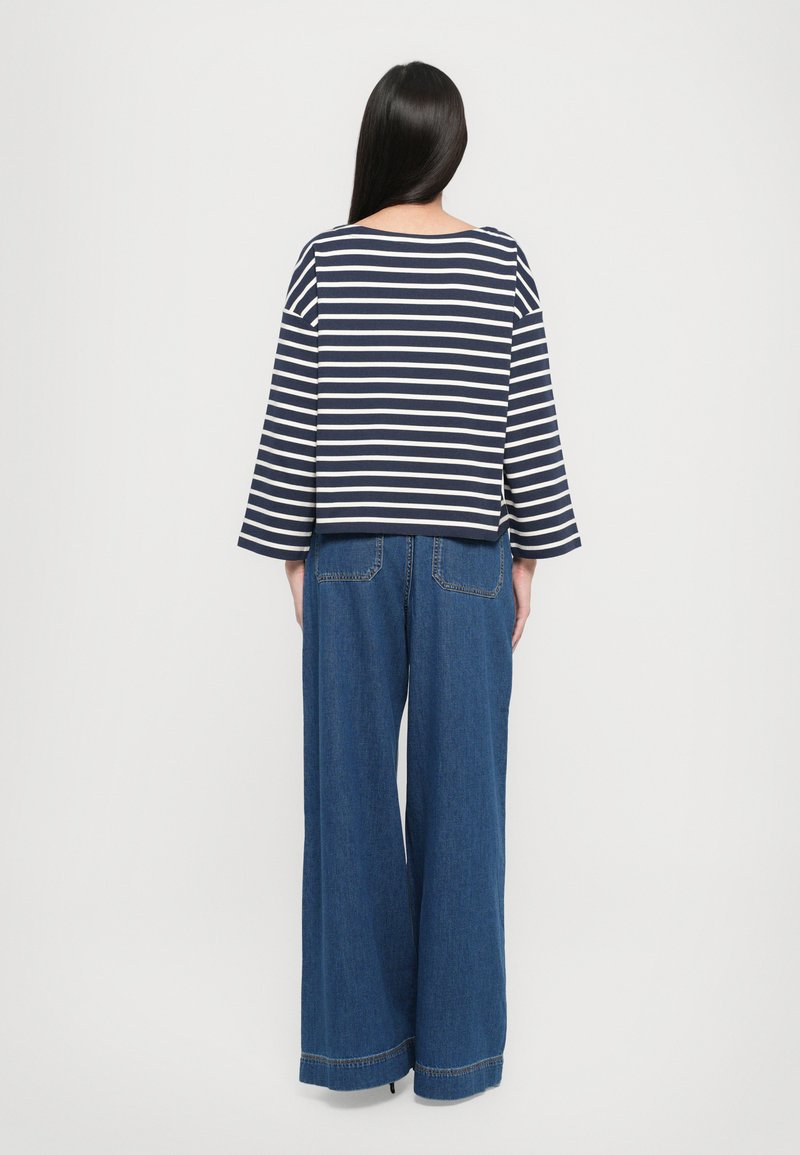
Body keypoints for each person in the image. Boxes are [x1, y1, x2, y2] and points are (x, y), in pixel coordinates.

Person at [236, 60, 582, 1102]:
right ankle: (459, 1058)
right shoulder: (500, 263)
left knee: (344, 800)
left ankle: (358, 1054)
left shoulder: (325, 260)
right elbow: (527, 422)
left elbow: (292, 416)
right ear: (451, 147)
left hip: (347, 556)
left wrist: (294, 556)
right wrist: (527, 557)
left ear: (379, 142)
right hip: (466, 558)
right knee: (465, 805)